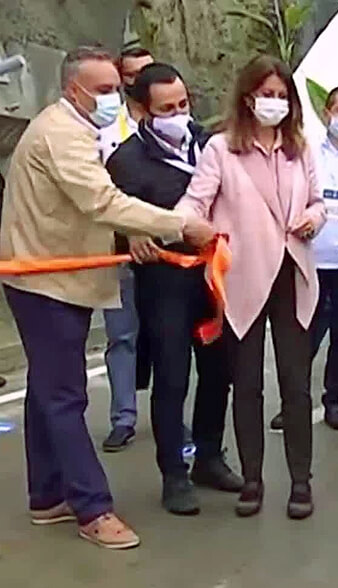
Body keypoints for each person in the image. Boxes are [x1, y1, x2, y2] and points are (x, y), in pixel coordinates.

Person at [0, 46, 214, 549]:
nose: (113, 98)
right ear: (72, 89)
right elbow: (101, 200)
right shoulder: (61, 135)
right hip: (45, 278)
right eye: (102, 90)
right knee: (65, 395)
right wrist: (180, 224)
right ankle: (92, 507)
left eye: (115, 88)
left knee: (48, 391)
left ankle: (46, 495)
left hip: (55, 275)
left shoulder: (76, 129)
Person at [176, 54, 326, 520]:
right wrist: (185, 228)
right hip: (241, 276)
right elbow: (193, 203)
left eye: (282, 96)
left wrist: (312, 219)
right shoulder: (221, 149)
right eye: (266, 94)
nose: (274, 103)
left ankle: (300, 482)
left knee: (296, 385)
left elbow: (319, 202)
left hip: (292, 275)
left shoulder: (300, 148)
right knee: (246, 384)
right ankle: (253, 481)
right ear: (247, 97)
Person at [105, 62, 243, 515]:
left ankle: (210, 457)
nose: (178, 114)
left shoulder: (210, 145)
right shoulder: (126, 161)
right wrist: (130, 234)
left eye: (183, 104)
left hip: (213, 277)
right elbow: (112, 215)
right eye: (167, 109)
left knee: (218, 371)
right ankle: (174, 475)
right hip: (164, 284)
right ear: (143, 110)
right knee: (171, 377)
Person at [269, 86, 338, 433]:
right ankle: (292, 403)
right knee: (303, 336)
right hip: (310, 258)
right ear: (327, 113)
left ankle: (334, 401)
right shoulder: (306, 149)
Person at [99, 46, 155, 453]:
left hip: (166, 253)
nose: (141, 81)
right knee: (122, 337)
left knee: (168, 339)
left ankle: (170, 417)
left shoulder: (173, 126)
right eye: (132, 75)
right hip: (118, 251)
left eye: (148, 72)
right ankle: (123, 418)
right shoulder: (104, 128)